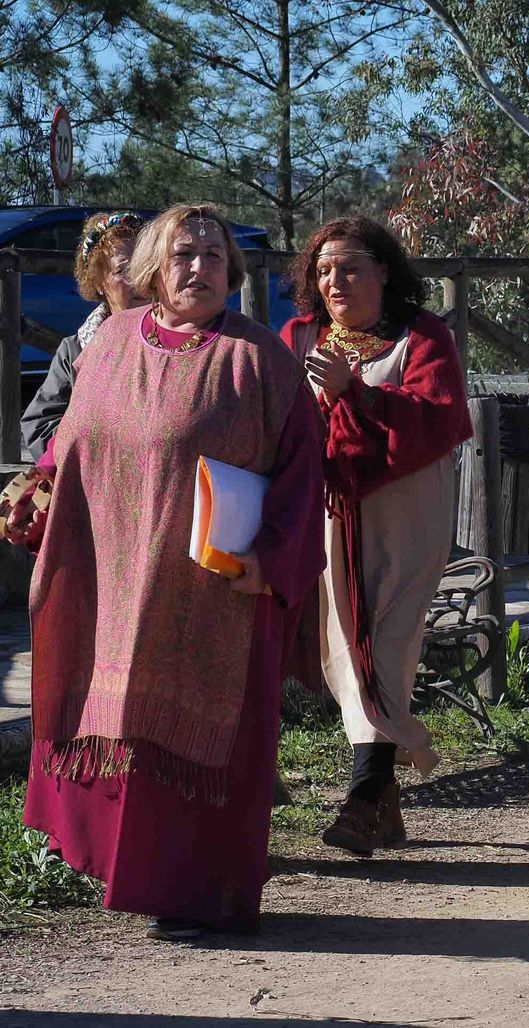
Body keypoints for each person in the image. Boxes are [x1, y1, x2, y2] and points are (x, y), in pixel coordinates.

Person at [20, 203, 325, 941]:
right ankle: (135, 876)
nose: (199, 268)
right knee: (122, 729)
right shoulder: (110, 345)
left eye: (214, 257)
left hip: (218, 589)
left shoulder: (261, 361)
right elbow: (71, 441)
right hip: (118, 578)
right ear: (156, 268)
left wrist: (271, 561)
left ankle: (205, 896)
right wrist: (35, 492)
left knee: (207, 745)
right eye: (184, 255)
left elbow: (302, 477)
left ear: (233, 272)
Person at [281, 216, 473, 857]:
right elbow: (276, 420)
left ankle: (362, 798)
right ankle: (380, 799)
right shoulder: (301, 338)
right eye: (325, 269)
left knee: (385, 644)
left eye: (352, 267)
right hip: (333, 515)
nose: (336, 280)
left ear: (384, 271)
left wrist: (355, 391)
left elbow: (440, 419)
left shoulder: (423, 336)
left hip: (407, 516)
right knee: (345, 645)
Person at [21, 211, 148, 459]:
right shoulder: (77, 349)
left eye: (145, 267)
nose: (139, 280)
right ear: (99, 282)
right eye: (124, 270)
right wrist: (97, 448)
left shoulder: (183, 337)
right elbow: (39, 425)